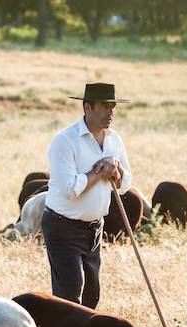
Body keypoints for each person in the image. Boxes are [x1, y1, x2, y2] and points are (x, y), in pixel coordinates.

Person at [41, 82, 134, 309]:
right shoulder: (65, 140)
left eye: (113, 105)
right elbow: (70, 189)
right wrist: (99, 170)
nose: (111, 111)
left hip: (94, 228)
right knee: (70, 295)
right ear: (87, 108)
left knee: (92, 295)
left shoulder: (114, 139)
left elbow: (125, 184)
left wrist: (116, 168)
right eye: (104, 106)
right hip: (63, 227)